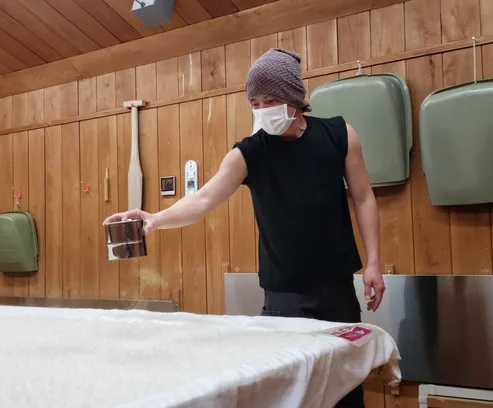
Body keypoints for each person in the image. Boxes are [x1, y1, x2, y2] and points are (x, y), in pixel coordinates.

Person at [103, 48, 384, 408]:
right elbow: (203, 199)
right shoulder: (249, 153)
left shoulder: (340, 135)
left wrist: (373, 263)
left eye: (271, 100)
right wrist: (155, 218)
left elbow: (363, 197)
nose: (262, 109)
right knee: (291, 392)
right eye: (255, 102)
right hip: (284, 297)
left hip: (338, 290)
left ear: (295, 98)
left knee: (346, 388)